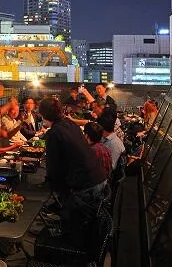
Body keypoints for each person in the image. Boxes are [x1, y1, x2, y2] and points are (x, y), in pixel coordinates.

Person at [39, 97, 107, 239]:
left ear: (43, 114)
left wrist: (45, 187)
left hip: (86, 186)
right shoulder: (70, 123)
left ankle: (66, 241)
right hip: (99, 179)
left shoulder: (54, 133)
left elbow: (53, 169)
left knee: (69, 215)